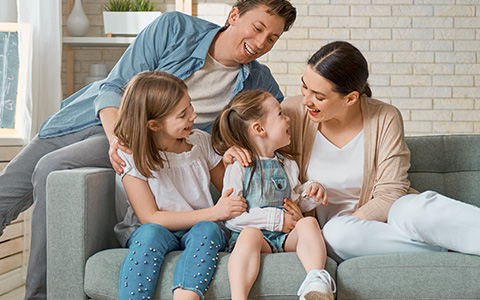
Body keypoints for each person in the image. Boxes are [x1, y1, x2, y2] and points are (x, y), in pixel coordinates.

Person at [0, 1, 296, 298]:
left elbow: (276, 124)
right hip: (100, 120)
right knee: (7, 191)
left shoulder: (258, 80)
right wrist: (118, 139)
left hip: (149, 143)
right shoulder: (175, 29)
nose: (261, 43)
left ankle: (38, 295)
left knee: (51, 168)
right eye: (258, 28)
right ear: (234, 16)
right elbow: (114, 86)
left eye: (272, 38)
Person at [278, 41, 480, 261]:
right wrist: (234, 151)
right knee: (338, 234)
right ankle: (449, 250)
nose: (306, 100)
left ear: (351, 98)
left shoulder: (385, 117)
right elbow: (254, 142)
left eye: (319, 96)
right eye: (304, 86)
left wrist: (354, 220)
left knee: (413, 209)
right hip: (340, 236)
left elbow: (391, 192)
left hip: (380, 222)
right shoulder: (292, 113)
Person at [114, 70, 248, 300]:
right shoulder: (131, 157)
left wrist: (231, 163)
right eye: (183, 114)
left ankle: (187, 296)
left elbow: (232, 189)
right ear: (154, 125)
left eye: (190, 107)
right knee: (150, 233)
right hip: (155, 228)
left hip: (199, 227)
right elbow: (151, 217)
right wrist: (214, 211)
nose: (193, 116)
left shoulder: (200, 142)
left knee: (209, 229)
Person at [211, 90, 336, 300]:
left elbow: (295, 200)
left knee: (308, 224)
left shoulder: (287, 164)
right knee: (249, 234)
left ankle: (316, 279)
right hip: (256, 239)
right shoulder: (239, 167)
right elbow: (232, 217)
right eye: (280, 114)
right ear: (259, 129)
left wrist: (311, 191)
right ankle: (238, 297)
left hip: (286, 237)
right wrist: (276, 220)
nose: (287, 118)